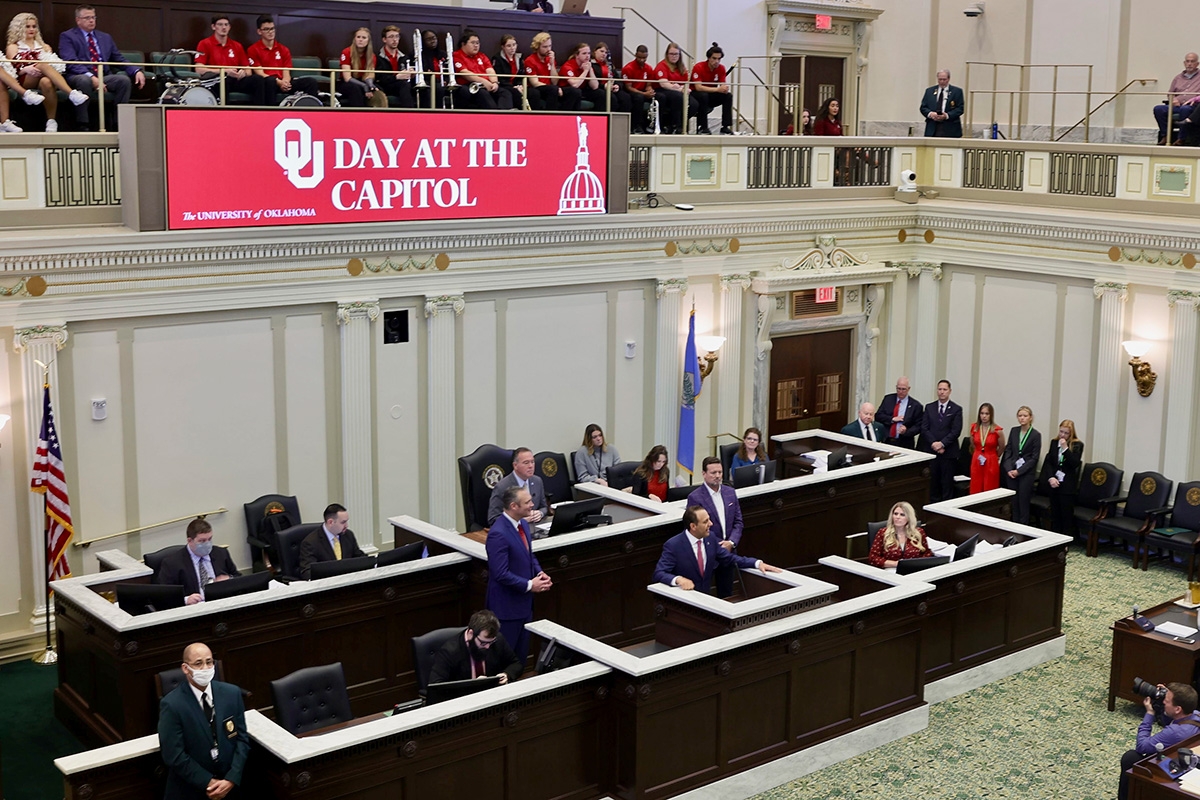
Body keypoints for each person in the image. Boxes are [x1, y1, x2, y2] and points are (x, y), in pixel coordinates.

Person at [157, 642, 249, 800]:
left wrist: (231, 778)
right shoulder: (172, 705)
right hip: (191, 790)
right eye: (198, 663)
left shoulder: (232, 694)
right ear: (186, 668)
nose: (205, 668)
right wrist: (208, 782)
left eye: (209, 662)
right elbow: (173, 754)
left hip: (229, 787)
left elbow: (242, 739)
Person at [486, 486, 552, 662]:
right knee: (505, 662)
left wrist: (540, 572)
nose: (532, 505)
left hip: (524, 607)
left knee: (520, 659)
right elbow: (500, 573)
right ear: (514, 506)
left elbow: (528, 554)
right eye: (528, 502)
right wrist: (530, 585)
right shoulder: (498, 534)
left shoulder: (522, 523)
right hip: (507, 610)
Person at [654, 505, 780, 593]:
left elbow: (729, 559)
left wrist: (757, 563)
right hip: (684, 604)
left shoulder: (711, 539)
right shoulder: (673, 545)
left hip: (706, 599)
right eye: (705, 522)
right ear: (693, 526)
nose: (711, 524)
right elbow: (659, 573)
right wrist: (678, 580)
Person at [58, 4, 145, 129]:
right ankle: (83, 124)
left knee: (123, 81)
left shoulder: (105, 37)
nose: (91, 20)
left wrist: (136, 70)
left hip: (103, 76)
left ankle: (118, 124)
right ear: (78, 20)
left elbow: (118, 59)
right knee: (84, 80)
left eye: (93, 17)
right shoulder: (68, 36)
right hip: (78, 76)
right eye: (87, 18)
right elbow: (70, 61)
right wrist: (92, 77)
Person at [5, 13, 89, 132]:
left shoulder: (44, 47)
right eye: (27, 26)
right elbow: (11, 69)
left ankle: (51, 121)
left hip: (42, 77)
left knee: (47, 82)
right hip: (24, 79)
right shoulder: (13, 46)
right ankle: (71, 93)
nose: (31, 29)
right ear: (18, 28)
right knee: (43, 65)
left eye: (34, 26)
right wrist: (26, 69)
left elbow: (53, 64)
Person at [1117, 682, 1200, 800]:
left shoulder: (1174, 732)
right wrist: (1166, 700)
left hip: (1172, 770)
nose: (1164, 701)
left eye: (1167, 700)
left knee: (1131, 757)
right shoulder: (1196, 714)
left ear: (1178, 709)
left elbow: (1141, 746)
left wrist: (1149, 714)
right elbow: (1171, 720)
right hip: (1187, 760)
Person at [687, 457, 744, 598]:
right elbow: (696, 529)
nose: (717, 476)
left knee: (727, 594)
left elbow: (738, 522)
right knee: (703, 596)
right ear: (704, 474)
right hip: (708, 552)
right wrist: (719, 545)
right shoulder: (695, 497)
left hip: (729, 552)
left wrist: (731, 542)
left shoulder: (730, 492)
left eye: (720, 472)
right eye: (713, 473)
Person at [153, 518, 240, 605]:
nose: (207, 544)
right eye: (202, 541)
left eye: (209, 539)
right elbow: (164, 595)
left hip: (222, 602)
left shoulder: (221, 553)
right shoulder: (172, 563)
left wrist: (229, 579)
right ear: (190, 541)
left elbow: (239, 578)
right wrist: (186, 600)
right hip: (194, 608)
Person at [428, 609, 523, 685]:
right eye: (483, 643)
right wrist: (473, 685)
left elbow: (516, 664)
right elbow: (436, 685)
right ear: (470, 634)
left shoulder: (497, 640)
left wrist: (506, 674)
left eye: (491, 642)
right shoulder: (449, 651)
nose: (487, 647)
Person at [194, 15, 268, 106]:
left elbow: (248, 69)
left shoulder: (237, 45)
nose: (224, 27)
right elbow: (199, 69)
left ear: (229, 27)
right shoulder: (204, 43)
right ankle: (225, 114)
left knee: (258, 79)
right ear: (213, 27)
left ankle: (259, 113)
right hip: (217, 79)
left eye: (226, 25)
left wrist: (244, 73)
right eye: (220, 25)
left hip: (236, 79)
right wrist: (224, 71)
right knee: (223, 81)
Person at [247, 15, 319, 106]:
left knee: (311, 82)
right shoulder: (253, 49)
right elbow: (260, 73)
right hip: (269, 82)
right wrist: (278, 82)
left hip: (283, 81)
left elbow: (286, 71)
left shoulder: (283, 49)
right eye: (266, 29)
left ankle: (311, 112)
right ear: (259, 31)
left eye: (272, 28)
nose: (270, 32)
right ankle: (271, 114)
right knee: (269, 82)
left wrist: (285, 82)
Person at [1038, 419, 1084, 537]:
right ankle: (1055, 539)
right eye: (1061, 432)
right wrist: (1050, 478)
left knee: (1066, 515)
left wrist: (1065, 449)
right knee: (1055, 513)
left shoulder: (1077, 445)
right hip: (1054, 483)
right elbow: (1049, 462)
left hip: (1067, 486)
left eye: (1066, 433)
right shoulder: (1054, 442)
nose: (1062, 435)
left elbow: (1074, 463)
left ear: (1071, 433)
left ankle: (1066, 540)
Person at [920, 379, 963, 503]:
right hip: (931, 452)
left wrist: (942, 444)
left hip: (948, 454)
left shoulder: (956, 409)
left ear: (950, 391)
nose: (942, 392)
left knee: (947, 485)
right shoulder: (929, 407)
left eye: (944, 389)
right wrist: (934, 443)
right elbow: (924, 428)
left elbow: (956, 431)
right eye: (940, 389)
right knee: (933, 484)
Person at [298, 503, 367, 579]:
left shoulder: (348, 535)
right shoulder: (311, 542)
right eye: (343, 522)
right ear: (330, 522)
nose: (346, 525)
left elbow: (359, 557)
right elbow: (307, 572)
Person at [1001, 406, 1041, 525]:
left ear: (1030, 418)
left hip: (1026, 474)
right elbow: (1008, 451)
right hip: (1012, 471)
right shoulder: (1014, 431)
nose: (1022, 418)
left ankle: (1023, 530)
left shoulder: (1035, 435)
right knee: (1014, 502)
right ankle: (1014, 527)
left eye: (1025, 416)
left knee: (1023, 503)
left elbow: (1034, 458)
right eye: (1020, 416)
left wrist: (1019, 471)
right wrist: (1008, 468)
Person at [487, 447, 548, 526]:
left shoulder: (537, 481)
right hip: (513, 531)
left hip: (536, 528)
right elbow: (493, 519)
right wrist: (518, 521)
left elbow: (544, 507)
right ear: (515, 465)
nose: (531, 466)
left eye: (532, 462)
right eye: (526, 463)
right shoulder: (502, 487)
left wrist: (540, 513)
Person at [452, 29, 505, 110]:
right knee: (482, 93)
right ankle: (495, 116)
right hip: (470, 85)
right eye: (473, 43)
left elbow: (490, 70)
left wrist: (494, 82)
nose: (476, 45)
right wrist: (484, 82)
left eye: (477, 43)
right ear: (463, 44)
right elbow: (465, 73)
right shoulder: (456, 55)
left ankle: (506, 115)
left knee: (505, 92)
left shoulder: (482, 56)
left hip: (487, 84)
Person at [1155, 53, 1200, 145]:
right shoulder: (1178, 78)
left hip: (1193, 106)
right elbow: (1170, 93)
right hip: (1176, 105)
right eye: (1187, 61)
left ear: (1197, 64)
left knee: (1185, 109)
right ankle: (1166, 136)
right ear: (1184, 63)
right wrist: (1173, 100)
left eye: (1192, 61)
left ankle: (1181, 138)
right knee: (1158, 109)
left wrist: (1194, 99)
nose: (1189, 64)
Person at [868, 501, 928, 569]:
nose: (897, 517)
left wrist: (917, 566)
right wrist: (896, 564)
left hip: (914, 570)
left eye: (902, 515)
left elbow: (927, 554)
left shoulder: (919, 533)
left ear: (909, 518)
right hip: (890, 570)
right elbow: (873, 558)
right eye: (895, 514)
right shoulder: (882, 533)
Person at [689, 42, 733, 135]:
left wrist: (724, 88)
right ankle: (703, 127)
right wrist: (717, 90)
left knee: (728, 96)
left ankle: (725, 126)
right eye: (714, 58)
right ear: (708, 58)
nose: (716, 61)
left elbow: (722, 84)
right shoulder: (699, 67)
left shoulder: (721, 68)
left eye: (719, 59)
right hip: (696, 94)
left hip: (711, 93)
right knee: (703, 96)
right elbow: (698, 87)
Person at [653, 42, 696, 135]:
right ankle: (676, 125)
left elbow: (686, 82)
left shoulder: (682, 67)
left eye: (676, 54)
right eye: (671, 54)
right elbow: (663, 83)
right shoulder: (662, 65)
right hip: (663, 90)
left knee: (694, 104)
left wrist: (684, 89)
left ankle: (678, 122)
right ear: (667, 54)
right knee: (678, 97)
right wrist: (679, 89)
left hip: (678, 90)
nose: (674, 56)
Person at [340, 27, 385, 108]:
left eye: (364, 38)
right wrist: (364, 86)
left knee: (378, 88)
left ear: (368, 41)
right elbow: (347, 78)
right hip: (347, 82)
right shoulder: (346, 52)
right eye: (358, 37)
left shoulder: (372, 56)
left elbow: (369, 75)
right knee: (355, 89)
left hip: (363, 80)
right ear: (354, 39)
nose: (360, 40)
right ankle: (359, 115)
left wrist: (370, 85)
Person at [875, 376, 923, 449]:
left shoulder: (916, 406)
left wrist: (906, 431)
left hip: (905, 443)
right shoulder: (888, 399)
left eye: (903, 389)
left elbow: (918, 426)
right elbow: (878, 416)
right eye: (899, 388)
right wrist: (892, 419)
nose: (900, 391)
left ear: (908, 389)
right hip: (887, 441)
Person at [374, 25, 416, 108]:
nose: (395, 40)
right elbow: (379, 79)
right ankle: (409, 114)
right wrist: (397, 77)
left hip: (402, 86)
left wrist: (412, 75)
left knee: (425, 90)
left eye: (397, 36)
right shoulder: (378, 57)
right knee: (404, 85)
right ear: (384, 39)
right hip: (386, 87)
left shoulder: (404, 57)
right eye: (391, 37)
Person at [968, 402, 1005, 494]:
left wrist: (995, 455)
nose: (984, 416)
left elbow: (1002, 447)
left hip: (991, 458)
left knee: (989, 485)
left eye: (987, 414)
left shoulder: (997, 430)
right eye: (982, 413)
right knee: (976, 484)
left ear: (991, 415)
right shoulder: (974, 428)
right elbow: (972, 443)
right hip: (977, 458)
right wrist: (977, 453)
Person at [920, 69, 964, 138]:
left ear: (948, 79)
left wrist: (946, 115)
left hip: (950, 128)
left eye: (944, 79)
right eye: (940, 79)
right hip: (933, 127)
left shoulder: (957, 91)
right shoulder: (929, 91)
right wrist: (931, 114)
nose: (942, 82)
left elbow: (960, 108)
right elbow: (923, 107)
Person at [621, 44, 655, 133]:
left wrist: (649, 90)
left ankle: (654, 125)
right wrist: (644, 94)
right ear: (635, 55)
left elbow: (648, 84)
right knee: (638, 98)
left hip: (643, 91)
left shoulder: (649, 68)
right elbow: (628, 87)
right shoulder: (628, 68)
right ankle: (636, 126)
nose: (642, 60)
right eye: (639, 57)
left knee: (660, 97)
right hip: (632, 92)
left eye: (644, 58)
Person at [523, 32, 559, 111]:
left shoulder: (550, 58)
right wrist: (552, 88)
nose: (548, 49)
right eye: (545, 47)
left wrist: (552, 64)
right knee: (553, 90)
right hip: (537, 88)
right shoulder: (530, 60)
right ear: (537, 47)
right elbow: (535, 83)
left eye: (550, 46)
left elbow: (555, 81)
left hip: (550, 88)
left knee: (574, 92)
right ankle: (549, 116)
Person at [592, 42, 630, 116]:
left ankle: (622, 122)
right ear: (595, 51)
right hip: (600, 88)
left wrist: (617, 86)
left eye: (606, 52)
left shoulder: (609, 65)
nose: (604, 54)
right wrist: (604, 86)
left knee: (626, 98)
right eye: (601, 51)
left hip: (611, 88)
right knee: (611, 99)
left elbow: (617, 78)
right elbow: (591, 81)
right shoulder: (592, 65)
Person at [558, 42, 595, 112]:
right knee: (575, 92)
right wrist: (585, 71)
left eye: (589, 53)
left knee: (600, 94)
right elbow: (575, 84)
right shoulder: (568, 66)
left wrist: (590, 70)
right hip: (566, 91)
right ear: (577, 55)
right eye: (584, 53)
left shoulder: (587, 65)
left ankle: (600, 119)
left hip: (581, 90)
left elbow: (595, 86)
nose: (587, 56)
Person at [492, 34, 525, 110]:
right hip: (504, 85)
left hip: (517, 85)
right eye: (509, 46)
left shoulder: (519, 58)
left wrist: (520, 85)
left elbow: (522, 74)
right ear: (503, 47)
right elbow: (499, 77)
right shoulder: (497, 59)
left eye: (514, 45)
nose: (512, 48)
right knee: (515, 92)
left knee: (533, 93)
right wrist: (513, 87)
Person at [417, 29, 446, 109]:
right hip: (429, 83)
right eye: (428, 39)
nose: (433, 41)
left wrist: (446, 79)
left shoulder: (443, 54)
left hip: (444, 82)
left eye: (434, 38)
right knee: (436, 89)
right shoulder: (419, 55)